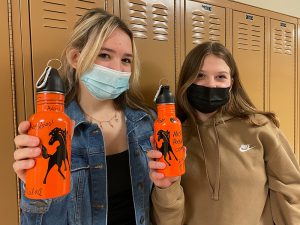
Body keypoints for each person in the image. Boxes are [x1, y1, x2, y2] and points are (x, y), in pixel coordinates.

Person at [13, 8, 155, 225]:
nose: (118, 69)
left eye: (126, 60)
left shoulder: (147, 122)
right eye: (105, 55)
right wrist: (34, 193)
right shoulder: (49, 130)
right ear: (76, 58)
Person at [148, 41, 300, 225]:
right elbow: (166, 221)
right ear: (187, 81)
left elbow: (291, 191)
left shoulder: (259, 127)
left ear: (231, 83)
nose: (210, 84)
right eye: (200, 75)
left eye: (220, 77)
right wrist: (166, 188)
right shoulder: (171, 138)